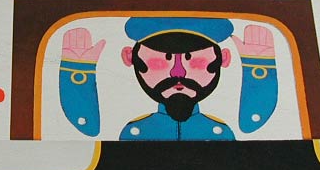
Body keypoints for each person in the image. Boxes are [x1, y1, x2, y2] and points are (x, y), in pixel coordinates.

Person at [59, 17, 277, 141]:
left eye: (196, 62)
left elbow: (252, 125)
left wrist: (258, 69)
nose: (178, 73)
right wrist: (78, 72)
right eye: (159, 62)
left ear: (224, 59)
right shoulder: (135, 132)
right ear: (129, 57)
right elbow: (88, 129)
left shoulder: (220, 132)